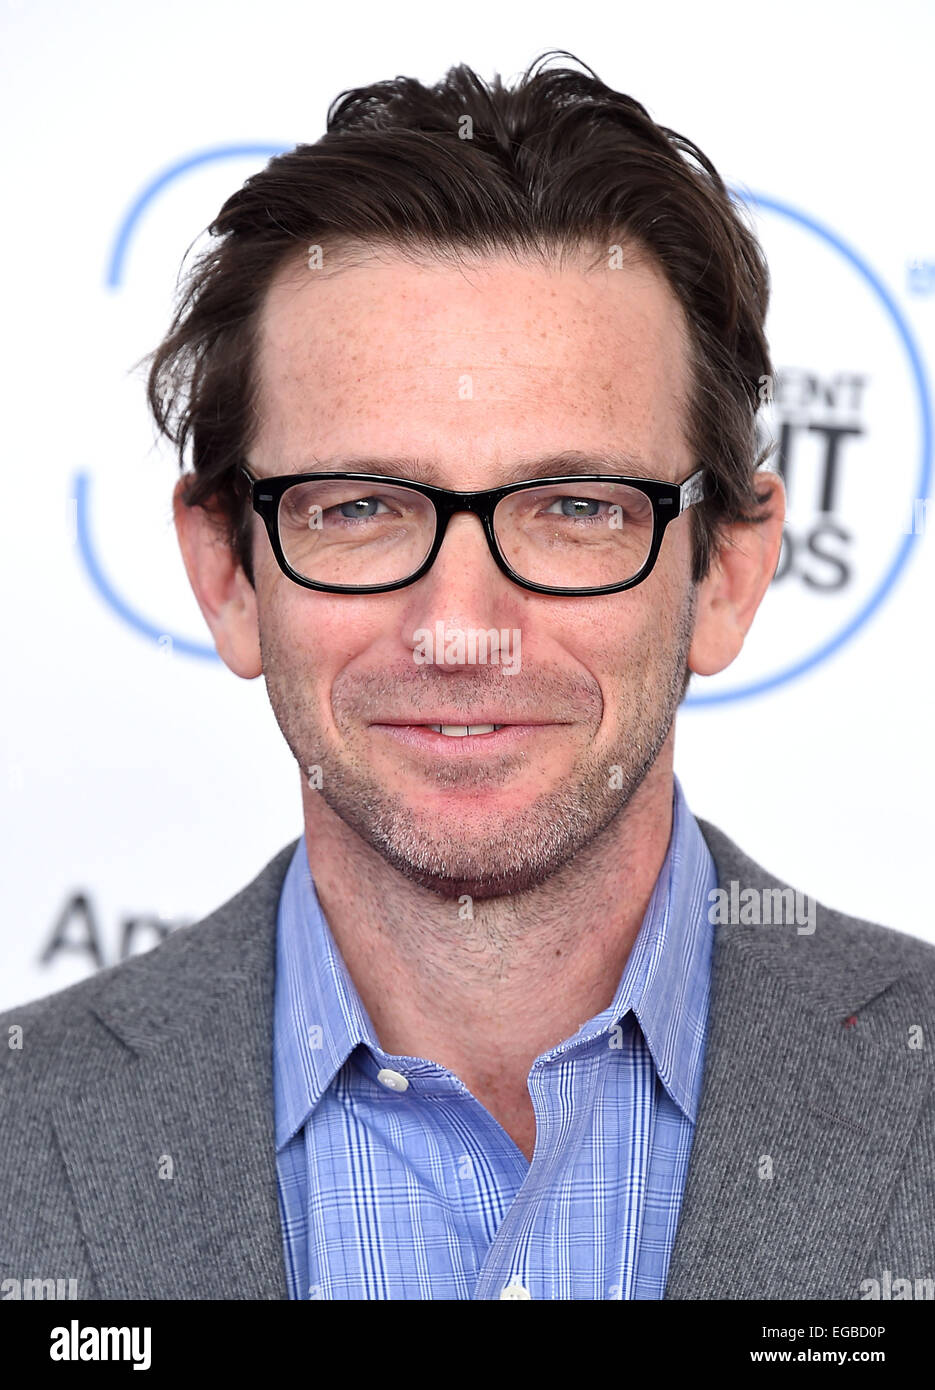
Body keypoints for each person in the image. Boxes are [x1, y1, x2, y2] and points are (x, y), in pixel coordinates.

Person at [2, 52, 933, 1303]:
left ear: (726, 572)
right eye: (359, 508)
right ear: (227, 572)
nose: (460, 628)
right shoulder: (27, 1130)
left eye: (573, 508)